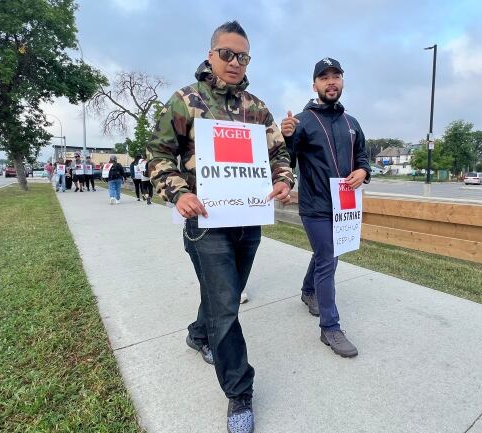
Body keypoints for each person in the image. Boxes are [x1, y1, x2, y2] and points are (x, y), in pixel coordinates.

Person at [147, 21, 293, 433]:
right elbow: (157, 153)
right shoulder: (186, 101)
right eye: (226, 53)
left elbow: (279, 154)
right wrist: (177, 193)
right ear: (211, 54)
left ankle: (198, 335)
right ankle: (239, 392)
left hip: (248, 220)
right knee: (227, 302)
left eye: (242, 56)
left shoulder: (257, 107)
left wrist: (283, 180)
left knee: (222, 293)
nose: (234, 62)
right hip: (206, 222)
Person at [281, 57, 371, 358]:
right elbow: (287, 160)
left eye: (336, 76)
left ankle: (309, 292)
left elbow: (363, 159)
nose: (330, 82)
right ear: (315, 85)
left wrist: (364, 172)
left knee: (327, 254)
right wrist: (287, 136)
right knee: (328, 258)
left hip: (345, 205)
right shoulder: (303, 121)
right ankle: (330, 328)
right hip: (315, 205)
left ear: (342, 81)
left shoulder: (352, 123)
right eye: (324, 77)